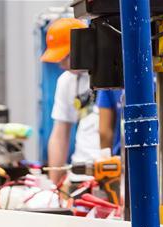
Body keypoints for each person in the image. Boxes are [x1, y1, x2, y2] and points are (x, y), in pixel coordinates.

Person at [42, 18, 101, 183]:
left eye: (64, 57)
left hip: (113, 172)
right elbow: (59, 135)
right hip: (80, 174)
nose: (61, 64)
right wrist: (53, 186)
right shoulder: (66, 81)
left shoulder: (115, 79)